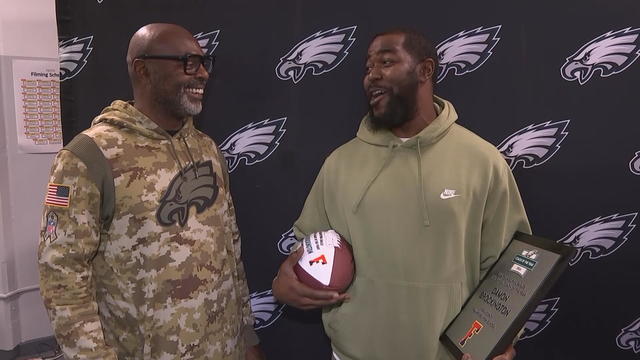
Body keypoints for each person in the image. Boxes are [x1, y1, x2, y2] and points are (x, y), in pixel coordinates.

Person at [272, 28, 531, 360]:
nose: (372, 75)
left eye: (386, 61)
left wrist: (502, 339)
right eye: (367, 68)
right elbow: (306, 246)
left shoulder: (482, 161)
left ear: (425, 70)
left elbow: (512, 266)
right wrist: (287, 279)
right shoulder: (340, 163)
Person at [38, 23, 264, 360]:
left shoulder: (207, 150)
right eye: (187, 62)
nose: (201, 73)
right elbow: (62, 275)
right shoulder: (89, 156)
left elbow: (230, 247)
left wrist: (245, 335)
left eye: (203, 63)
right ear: (143, 69)